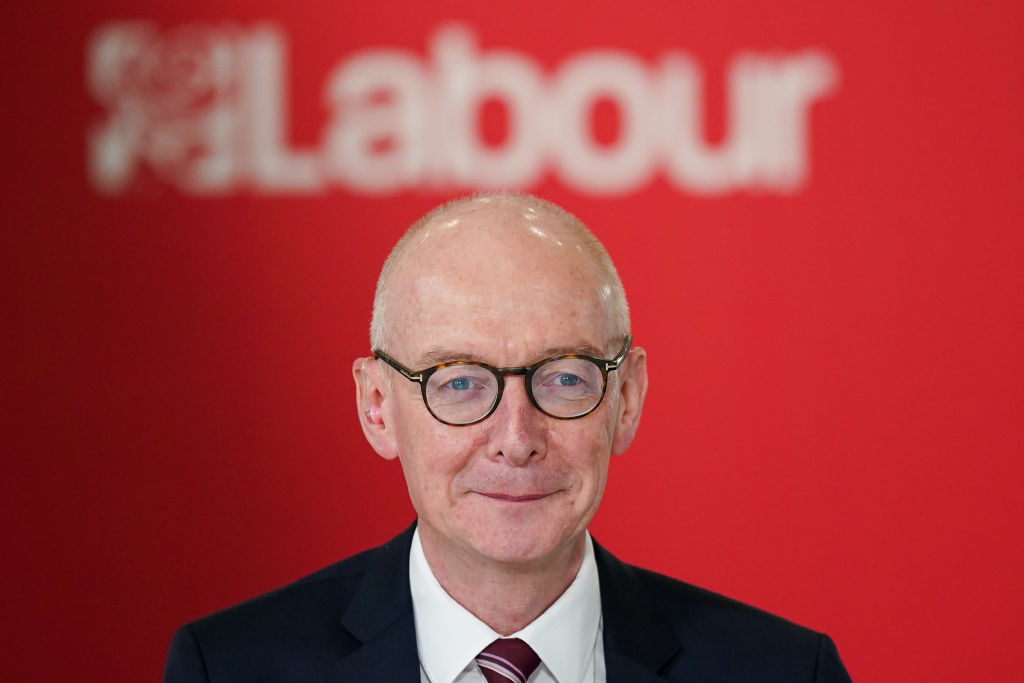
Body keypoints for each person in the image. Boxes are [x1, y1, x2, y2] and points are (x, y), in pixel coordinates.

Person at [164, 193, 853, 682]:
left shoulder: (786, 670)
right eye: (459, 381)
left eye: (564, 378)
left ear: (627, 399)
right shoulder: (228, 667)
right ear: (378, 406)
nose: (516, 437)